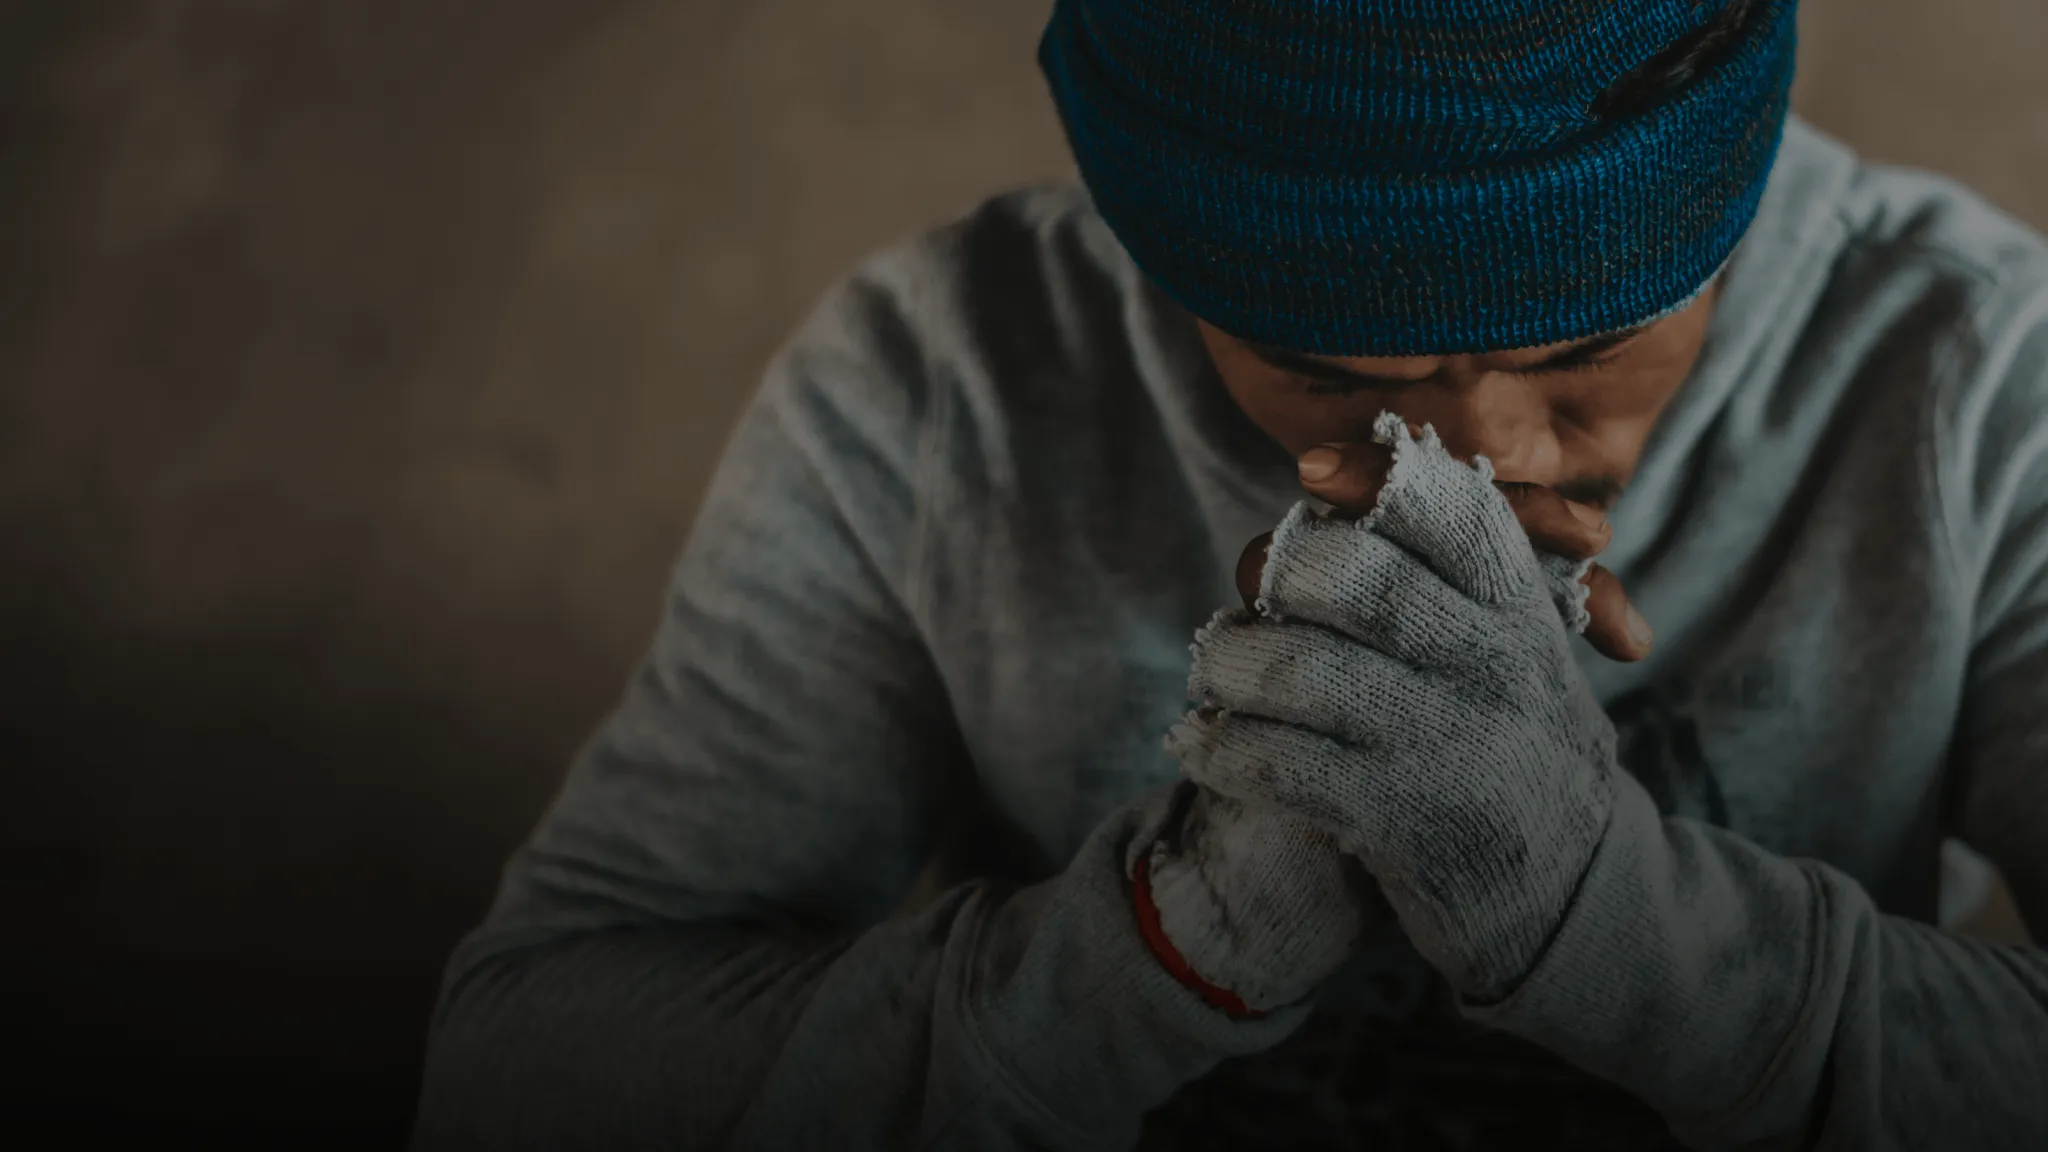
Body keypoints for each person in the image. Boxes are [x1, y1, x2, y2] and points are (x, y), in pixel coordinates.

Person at [412, 1, 2048, 1148]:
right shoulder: (940, 387)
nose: (1481, 460)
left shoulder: (1976, 375)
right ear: (1164, 260)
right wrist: (1160, 940)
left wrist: (1610, 914)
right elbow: (510, 1081)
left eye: (1595, 346)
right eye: (1326, 372)